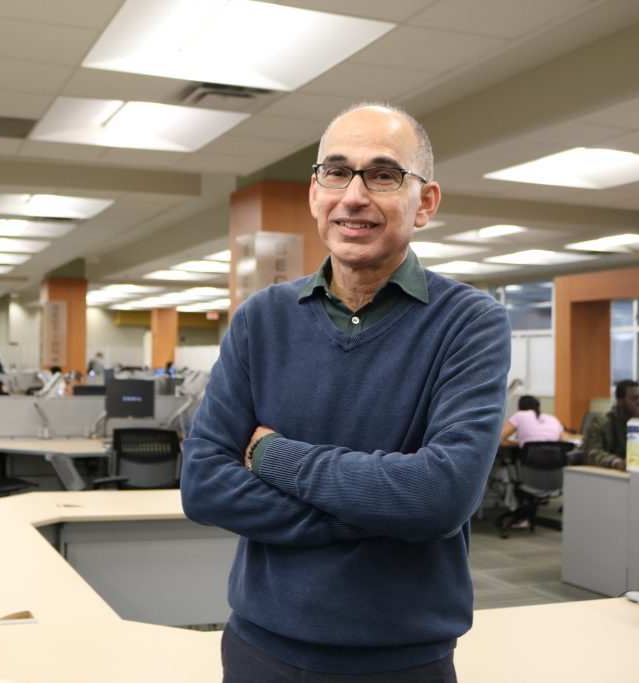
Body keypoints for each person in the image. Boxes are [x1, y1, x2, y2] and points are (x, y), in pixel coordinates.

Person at [181, 103, 510, 682]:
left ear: (425, 202)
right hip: (261, 650)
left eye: (383, 175)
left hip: (404, 661)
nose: (354, 195)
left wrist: (272, 454)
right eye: (336, 172)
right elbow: (205, 485)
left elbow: (440, 497)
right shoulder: (261, 320)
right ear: (315, 193)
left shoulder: (470, 322)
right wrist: (384, 508)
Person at [582, 379, 639, 471]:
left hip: (636, 473)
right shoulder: (601, 423)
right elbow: (591, 452)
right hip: (608, 475)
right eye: (634, 398)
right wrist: (615, 462)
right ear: (620, 401)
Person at [500, 395, 577, 448]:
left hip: (530, 465)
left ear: (520, 407)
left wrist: (521, 443)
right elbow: (564, 441)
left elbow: (500, 440)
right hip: (554, 464)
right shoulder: (552, 418)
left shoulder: (519, 415)